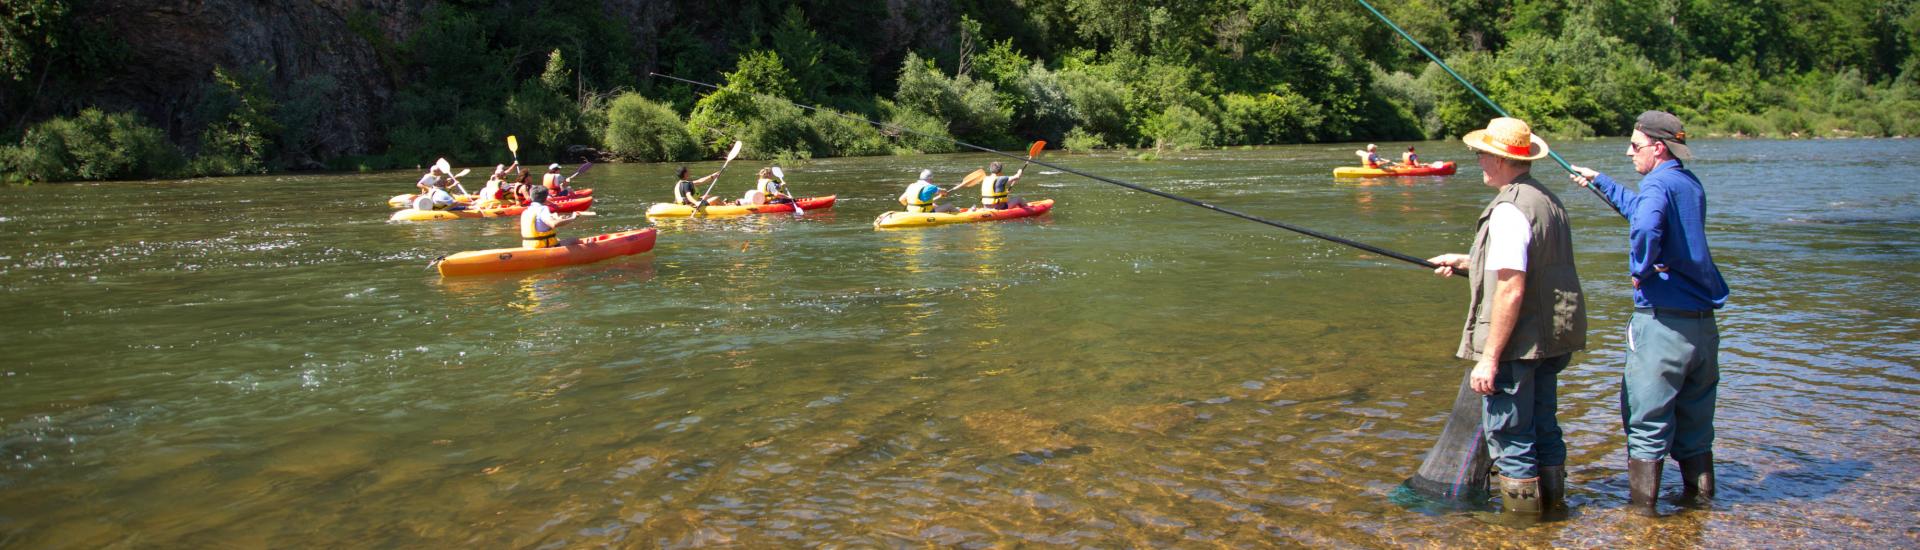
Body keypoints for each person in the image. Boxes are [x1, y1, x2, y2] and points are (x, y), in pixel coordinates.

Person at [1570, 111, 1730, 516]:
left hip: (1661, 327)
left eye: (1635, 146)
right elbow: (1644, 210)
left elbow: (1645, 227)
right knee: (1696, 427)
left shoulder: (1657, 183)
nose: (1629, 152)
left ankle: (1643, 522)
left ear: (1658, 148)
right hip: (1702, 329)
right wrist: (1600, 182)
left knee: (1646, 425)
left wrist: (1640, 269)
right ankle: (1701, 510)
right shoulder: (1686, 183)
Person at [1425, 117, 1587, 519]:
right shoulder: (1545, 200)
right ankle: (1554, 510)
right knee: (1544, 428)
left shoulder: (1508, 211)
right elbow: (1532, 267)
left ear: (1499, 159)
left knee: (1510, 436)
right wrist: (1468, 263)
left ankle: (1523, 525)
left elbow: (1512, 287)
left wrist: (1490, 358)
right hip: (1551, 340)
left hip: (1518, 344)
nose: (1478, 160)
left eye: (1482, 154)